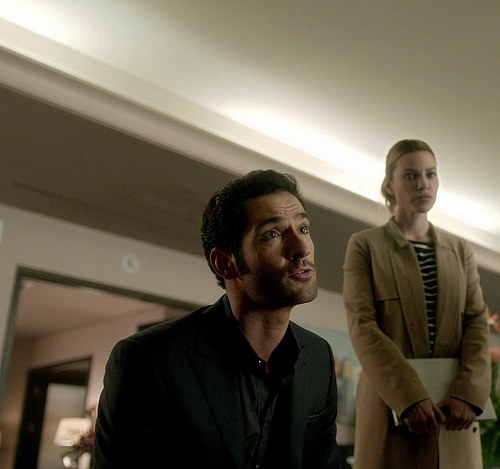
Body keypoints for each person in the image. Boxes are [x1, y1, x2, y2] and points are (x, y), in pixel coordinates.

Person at [93, 170, 345, 469]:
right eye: (272, 234)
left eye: (303, 228)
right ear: (225, 263)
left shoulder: (317, 357)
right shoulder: (148, 360)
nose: (302, 248)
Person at [342, 139, 491, 469]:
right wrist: (408, 397)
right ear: (389, 184)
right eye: (411, 175)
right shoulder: (365, 245)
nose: (423, 183)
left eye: (430, 174)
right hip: (390, 407)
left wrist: (468, 393)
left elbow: (477, 323)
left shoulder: (460, 250)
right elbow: (362, 325)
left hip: (455, 412)